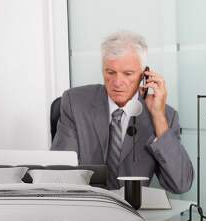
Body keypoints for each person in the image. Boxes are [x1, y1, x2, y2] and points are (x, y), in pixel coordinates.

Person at [51, 31, 193, 193]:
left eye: (128, 74)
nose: (117, 82)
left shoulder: (165, 116)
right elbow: (59, 174)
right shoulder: (75, 103)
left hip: (134, 209)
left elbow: (181, 184)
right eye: (110, 72)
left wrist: (158, 118)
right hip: (87, 205)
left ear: (144, 75)